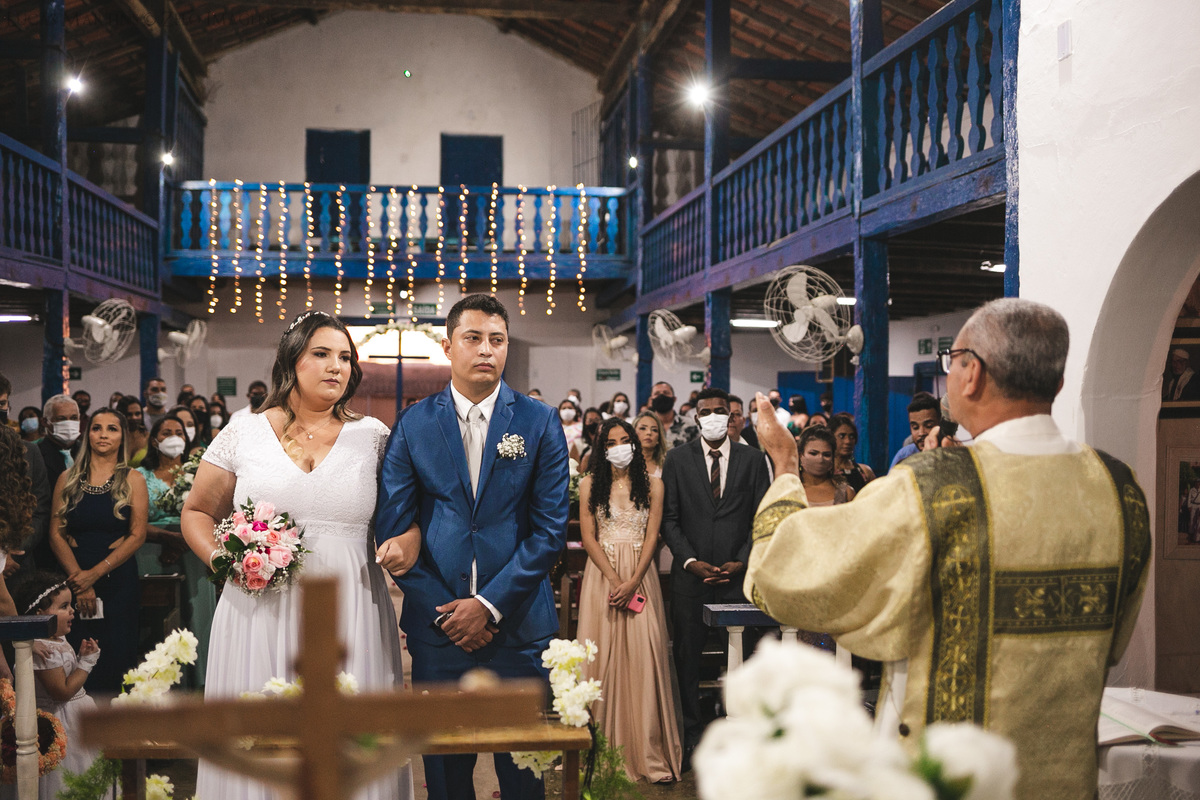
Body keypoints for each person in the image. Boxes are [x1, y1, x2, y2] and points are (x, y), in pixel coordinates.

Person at [745, 298, 1150, 800]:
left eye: (952, 358)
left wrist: (785, 465)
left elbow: (784, 577)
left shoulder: (935, 486)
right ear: (1057, 385)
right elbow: (1112, 643)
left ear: (972, 374)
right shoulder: (1120, 489)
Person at [182, 310, 416, 800]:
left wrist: (410, 538)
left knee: (346, 738)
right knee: (260, 739)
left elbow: (406, 516)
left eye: (346, 358)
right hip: (257, 607)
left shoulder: (372, 436)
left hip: (349, 607)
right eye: (322, 354)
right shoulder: (243, 431)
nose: (337, 367)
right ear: (292, 360)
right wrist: (225, 561)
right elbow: (198, 511)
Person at [376, 293, 569, 800]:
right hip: (439, 635)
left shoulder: (538, 421)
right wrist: (448, 613)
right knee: (445, 778)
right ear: (448, 345)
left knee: (524, 776)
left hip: (520, 626)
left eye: (497, 340)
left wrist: (487, 606)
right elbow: (393, 532)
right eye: (474, 338)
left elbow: (549, 531)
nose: (487, 349)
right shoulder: (414, 425)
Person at [660, 386, 770, 766]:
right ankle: (692, 732)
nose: (713, 417)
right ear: (695, 417)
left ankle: (738, 732)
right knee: (688, 660)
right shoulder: (677, 459)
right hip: (691, 581)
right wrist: (690, 561)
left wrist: (741, 560)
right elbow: (669, 519)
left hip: (737, 579)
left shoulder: (753, 460)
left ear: (732, 416)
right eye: (705, 411)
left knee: (740, 660)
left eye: (720, 411)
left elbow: (761, 516)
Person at [576, 418, 681, 784]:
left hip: (641, 574)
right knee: (600, 658)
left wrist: (633, 580)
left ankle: (646, 753)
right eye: (612, 441)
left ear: (634, 444)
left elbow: (654, 536)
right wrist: (615, 579)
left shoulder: (654, 484)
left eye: (625, 439)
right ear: (602, 448)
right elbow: (588, 538)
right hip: (602, 576)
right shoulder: (589, 484)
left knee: (644, 654)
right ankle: (598, 751)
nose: (619, 445)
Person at [48, 408, 147, 695]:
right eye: (97, 427)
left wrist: (94, 575)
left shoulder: (134, 479)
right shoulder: (67, 478)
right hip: (72, 576)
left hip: (117, 577)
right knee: (76, 650)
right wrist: (79, 580)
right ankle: (78, 730)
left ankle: (117, 729)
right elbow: (55, 533)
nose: (103, 434)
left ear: (122, 437)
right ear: (87, 433)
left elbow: (137, 535)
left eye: (112, 428)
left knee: (117, 651)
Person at [14, 571, 102, 800]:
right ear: (39, 613)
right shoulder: (42, 649)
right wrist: (86, 663)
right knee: (63, 779)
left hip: (73, 716)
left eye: (70, 605)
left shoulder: (57, 639)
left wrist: (80, 657)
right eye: (63, 606)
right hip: (56, 721)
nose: (72, 611)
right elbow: (61, 692)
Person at [136, 415, 190, 575]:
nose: (174, 437)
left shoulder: (198, 472)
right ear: (154, 441)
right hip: (150, 548)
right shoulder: (139, 476)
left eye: (179, 433)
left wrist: (183, 542)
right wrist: (168, 538)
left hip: (192, 548)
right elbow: (132, 521)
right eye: (166, 433)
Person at [797, 426, 855, 506]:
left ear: (832, 459)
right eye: (813, 453)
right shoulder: (788, 490)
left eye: (826, 455)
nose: (820, 459)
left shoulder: (846, 492)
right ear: (800, 455)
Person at [889, 391, 941, 469]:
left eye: (928, 426)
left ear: (940, 424)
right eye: (915, 427)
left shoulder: (951, 453)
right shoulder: (904, 455)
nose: (921, 433)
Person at [828, 413, 876, 493]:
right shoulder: (824, 472)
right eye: (841, 436)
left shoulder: (865, 472)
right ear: (831, 437)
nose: (848, 441)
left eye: (851, 436)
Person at [649, 382, 697, 450]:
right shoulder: (644, 426)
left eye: (666, 393)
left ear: (674, 399)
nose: (661, 396)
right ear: (651, 400)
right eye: (657, 393)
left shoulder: (690, 425)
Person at [633, 411, 666, 478]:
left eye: (654, 430)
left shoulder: (666, 464)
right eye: (643, 428)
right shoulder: (624, 464)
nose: (649, 433)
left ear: (659, 439)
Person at [576, 408, 604, 472]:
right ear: (585, 422)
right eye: (590, 420)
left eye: (597, 420)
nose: (594, 423)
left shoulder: (608, 442)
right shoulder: (578, 444)